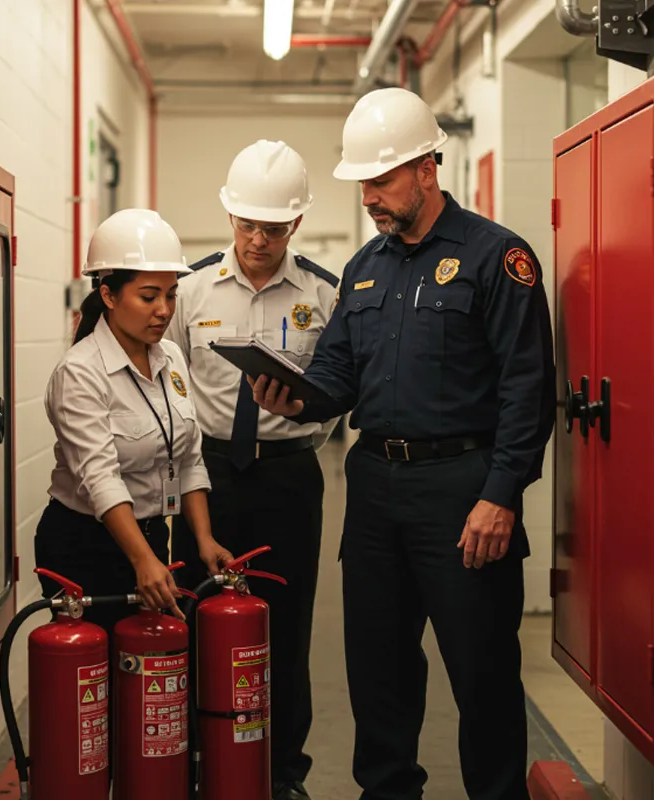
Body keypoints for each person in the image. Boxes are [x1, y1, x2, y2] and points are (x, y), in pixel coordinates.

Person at [250, 88, 556, 800]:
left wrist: (501, 496)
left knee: (481, 675)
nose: (369, 198)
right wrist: (292, 395)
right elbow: (336, 376)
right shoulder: (365, 268)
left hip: (463, 493)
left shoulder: (496, 257)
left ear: (427, 168)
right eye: (362, 184)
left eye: (381, 181)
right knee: (377, 674)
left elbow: (527, 387)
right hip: (375, 494)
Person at [166, 140, 339, 800]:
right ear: (229, 216)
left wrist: (305, 405)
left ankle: (283, 772)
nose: (259, 239)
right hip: (209, 477)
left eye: (274, 227)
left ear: (295, 224)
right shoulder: (189, 290)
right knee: (194, 613)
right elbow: (169, 385)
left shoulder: (325, 293)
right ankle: (196, 761)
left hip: (291, 475)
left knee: (286, 624)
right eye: (248, 224)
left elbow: (337, 391)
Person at [34, 208, 233, 639]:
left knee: (149, 681)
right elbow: (100, 478)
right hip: (85, 545)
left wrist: (204, 540)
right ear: (108, 295)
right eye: (148, 296)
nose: (164, 310)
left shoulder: (171, 358)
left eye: (172, 294)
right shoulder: (80, 373)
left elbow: (189, 457)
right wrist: (142, 560)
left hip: (150, 534)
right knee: (93, 680)